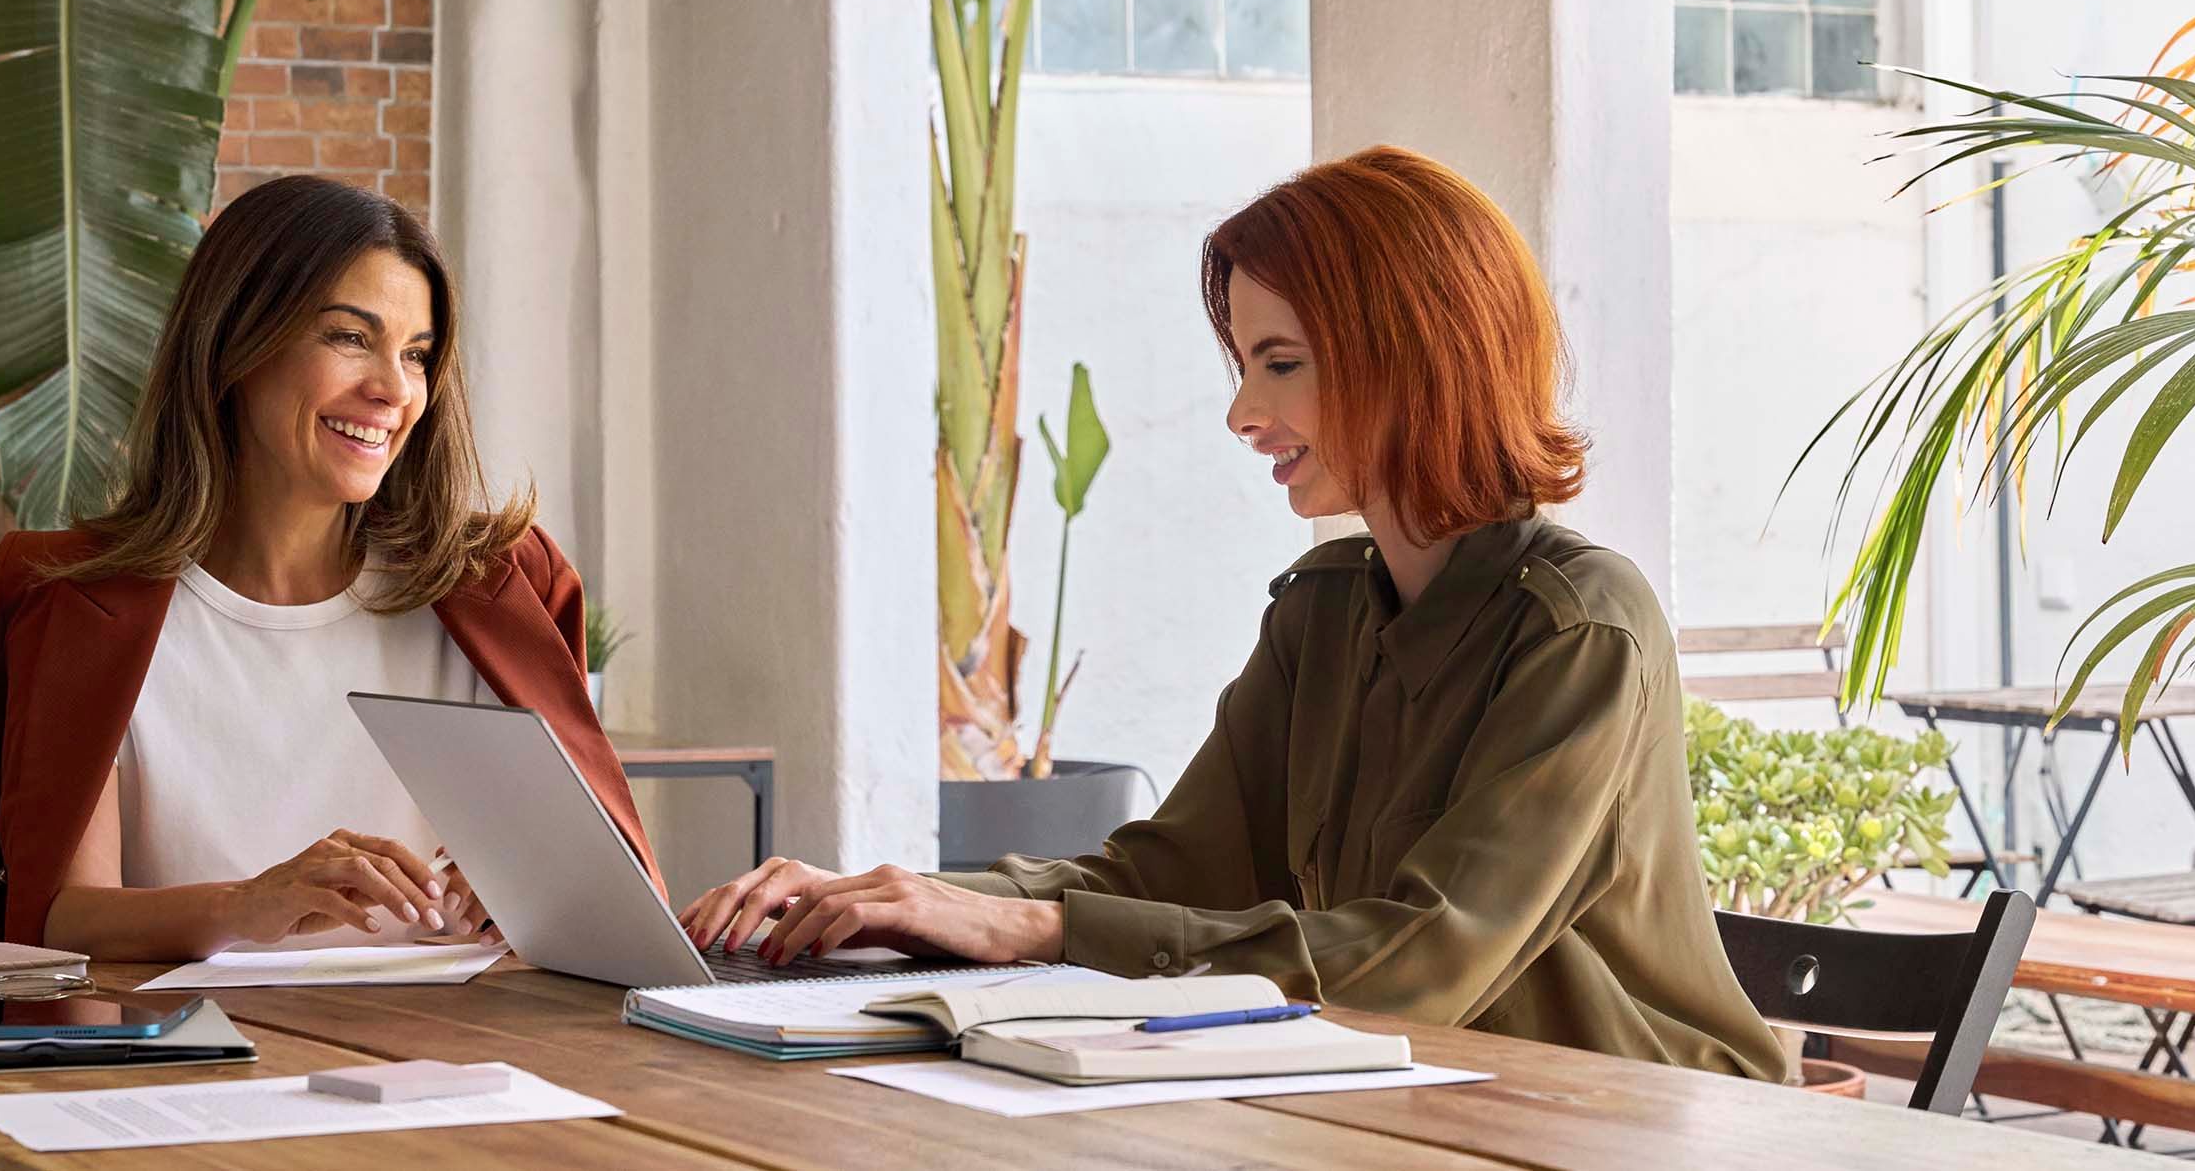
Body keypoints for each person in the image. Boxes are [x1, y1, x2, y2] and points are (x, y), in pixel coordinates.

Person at [679, 147, 1784, 1079]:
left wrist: (1038, 925)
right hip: (1405, 1103)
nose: (1242, 410)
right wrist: (906, 900)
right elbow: (1160, 872)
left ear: (1413, 354)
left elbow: (1423, 959)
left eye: (1281, 362)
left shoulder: (1580, 624)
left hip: (1634, 1121)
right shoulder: (1324, 611)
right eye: (1245, 363)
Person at [0, 176, 657, 961]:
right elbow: (63, 918)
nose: (393, 389)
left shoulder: (500, 586)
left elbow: (602, 903)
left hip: (469, 1062)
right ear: (236, 342)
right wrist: (250, 904)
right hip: (200, 1062)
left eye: (417, 353)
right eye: (348, 337)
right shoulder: (81, 604)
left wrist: (532, 886)